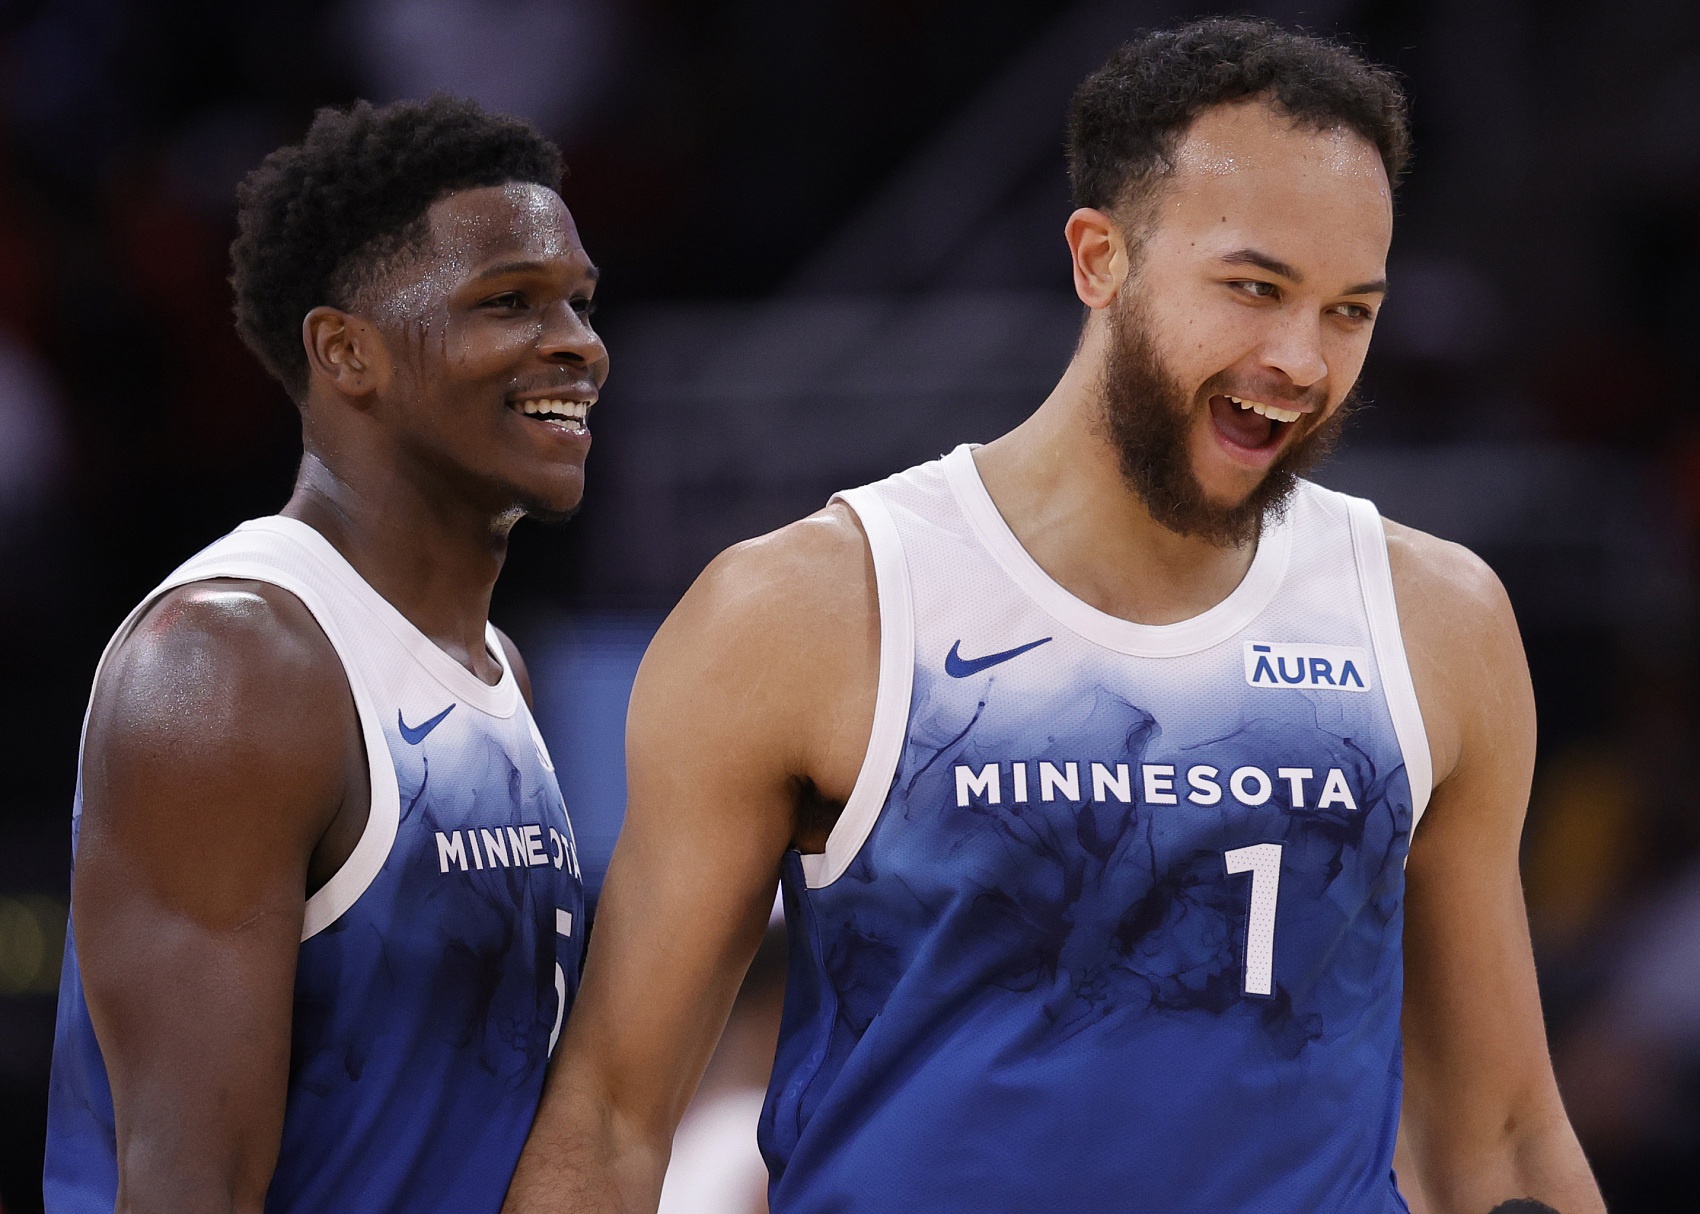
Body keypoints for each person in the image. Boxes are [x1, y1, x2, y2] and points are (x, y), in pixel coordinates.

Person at [504, 18, 1606, 1214]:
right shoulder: (806, 609)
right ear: (1098, 259)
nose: (1300, 357)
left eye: (1348, 310)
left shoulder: (1435, 618)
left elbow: (1501, 1137)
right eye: (1253, 288)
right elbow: (608, 1121)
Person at [44, 96, 603, 1213]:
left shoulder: (495, 667)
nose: (577, 344)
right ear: (347, 350)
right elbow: (188, 1184)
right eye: (509, 301)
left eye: (580, 302)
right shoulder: (230, 664)